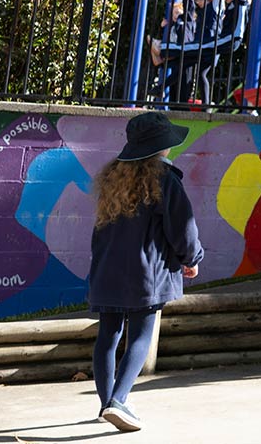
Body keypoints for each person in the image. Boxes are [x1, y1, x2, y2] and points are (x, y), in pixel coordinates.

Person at [87, 112, 206, 432]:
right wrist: (191, 257)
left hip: (107, 270)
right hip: (146, 273)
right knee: (140, 335)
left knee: (107, 336)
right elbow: (183, 229)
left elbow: (99, 232)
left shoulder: (112, 177)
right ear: (162, 146)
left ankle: (106, 403)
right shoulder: (166, 180)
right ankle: (118, 400)